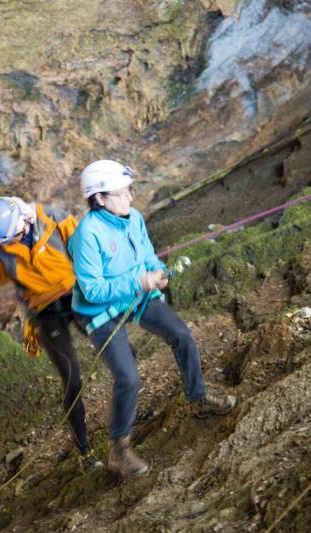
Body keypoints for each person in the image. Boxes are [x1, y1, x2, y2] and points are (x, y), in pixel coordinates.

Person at [68, 160, 237, 478]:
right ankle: (119, 448)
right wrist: (138, 282)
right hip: (100, 311)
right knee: (128, 378)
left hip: (139, 296)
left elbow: (145, 254)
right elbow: (91, 290)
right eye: (121, 193)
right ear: (100, 198)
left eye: (130, 190)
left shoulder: (133, 219)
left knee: (182, 335)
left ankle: (197, 398)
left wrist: (157, 272)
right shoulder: (86, 235)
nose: (130, 198)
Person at [0, 196, 103, 471]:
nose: (10, 245)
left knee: (114, 348)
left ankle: (129, 408)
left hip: (77, 292)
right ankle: (84, 450)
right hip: (45, 311)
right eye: (4, 241)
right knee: (72, 379)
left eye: (13, 238)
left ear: (26, 221)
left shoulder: (53, 218)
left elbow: (85, 245)